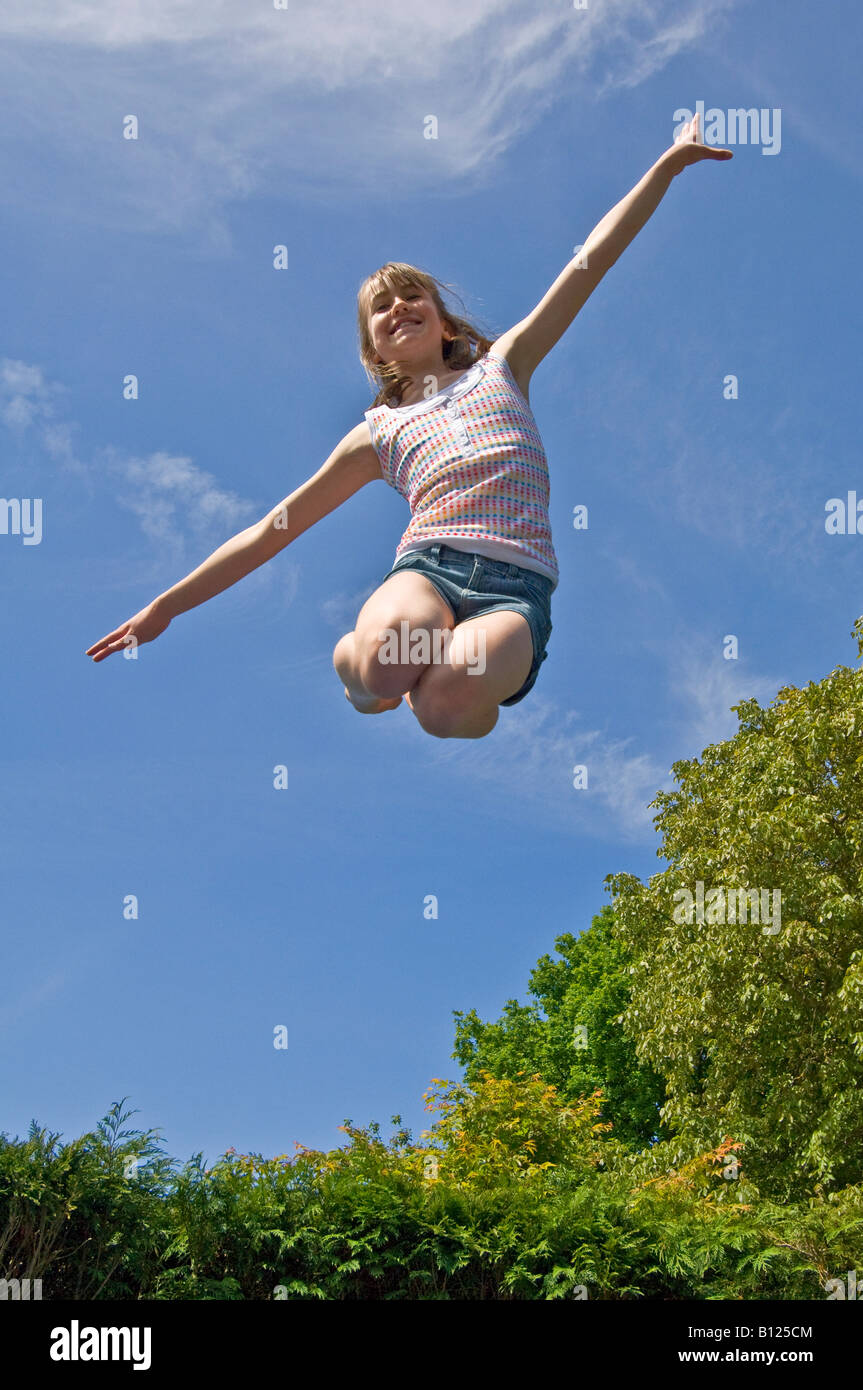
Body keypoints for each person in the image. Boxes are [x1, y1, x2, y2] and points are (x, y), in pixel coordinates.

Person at [86, 113, 731, 739]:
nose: (399, 307)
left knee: (445, 704)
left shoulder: (503, 367)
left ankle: (435, 691)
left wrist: (667, 167)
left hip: (515, 590)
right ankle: (356, 666)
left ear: (444, 322)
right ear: (375, 349)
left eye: (412, 296)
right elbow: (270, 531)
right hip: (430, 570)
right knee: (384, 668)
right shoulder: (375, 434)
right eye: (381, 307)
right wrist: (166, 608)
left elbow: (590, 263)